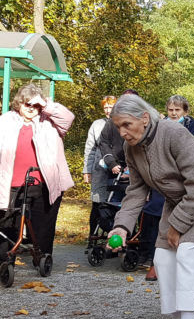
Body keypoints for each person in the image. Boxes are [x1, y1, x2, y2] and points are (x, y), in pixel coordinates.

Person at [107, 93, 194, 319]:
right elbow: (136, 191)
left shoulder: (174, 133)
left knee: (185, 255)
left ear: (144, 118)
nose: (122, 132)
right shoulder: (132, 148)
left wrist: (177, 226)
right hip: (179, 199)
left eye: (126, 124)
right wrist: (121, 228)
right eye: (118, 127)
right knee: (163, 258)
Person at [141, 95, 194, 281]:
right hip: (162, 181)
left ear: (185, 112)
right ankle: (154, 262)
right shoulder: (158, 127)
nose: (173, 113)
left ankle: (183, 262)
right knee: (154, 215)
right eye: (171, 110)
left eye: (177, 110)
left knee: (182, 219)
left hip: (185, 183)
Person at [0, 83, 74, 259]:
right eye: (28, 104)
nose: (32, 108)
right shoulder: (5, 121)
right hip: (11, 184)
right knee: (8, 225)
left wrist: (46, 104)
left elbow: (68, 117)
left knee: (43, 226)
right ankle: (5, 262)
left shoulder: (49, 122)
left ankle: (42, 258)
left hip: (43, 184)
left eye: (36, 105)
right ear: (19, 103)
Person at [82, 95, 117, 236]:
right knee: (97, 203)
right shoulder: (97, 124)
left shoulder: (123, 123)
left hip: (117, 170)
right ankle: (93, 236)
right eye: (105, 108)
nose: (108, 111)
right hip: (99, 171)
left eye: (111, 107)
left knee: (114, 203)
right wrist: (87, 171)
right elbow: (89, 149)